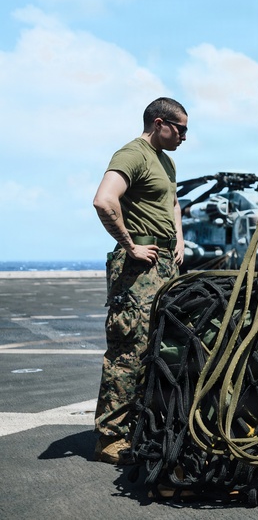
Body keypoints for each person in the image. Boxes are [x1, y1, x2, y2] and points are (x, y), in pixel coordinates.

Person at [92, 97, 188, 465]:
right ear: (159, 122)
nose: (183, 137)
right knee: (129, 350)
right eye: (180, 129)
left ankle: (138, 426)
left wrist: (178, 239)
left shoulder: (167, 161)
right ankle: (110, 438)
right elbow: (104, 200)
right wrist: (129, 245)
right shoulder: (132, 154)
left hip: (164, 264)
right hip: (138, 269)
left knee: (157, 350)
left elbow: (173, 202)